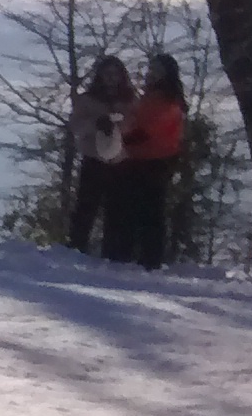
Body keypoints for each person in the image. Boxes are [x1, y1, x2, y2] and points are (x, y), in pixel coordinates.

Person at [109, 52, 186, 269]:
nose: (151, 73)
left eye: (157, 69)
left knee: (150, 210)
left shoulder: (167, 99)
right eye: (150, 69)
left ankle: (148, 258)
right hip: (142, 157)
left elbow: (151, 128)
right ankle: (136, 255)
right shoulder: (152, 96)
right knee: (138, 208)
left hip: (154, 159)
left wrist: (122, 140)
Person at [67, 55, 135, 255]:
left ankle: (113, 253)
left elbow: (137, 127)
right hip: (94, 159)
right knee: (86, 207)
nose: (111, 78)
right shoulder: (87, 100)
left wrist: (120, 126)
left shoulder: (130, 100)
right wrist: (96, 124)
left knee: (117, 211)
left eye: (115, 74)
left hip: (121, 162)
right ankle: (76, 248)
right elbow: (75, 125)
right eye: (107, 74)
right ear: (100, 76)